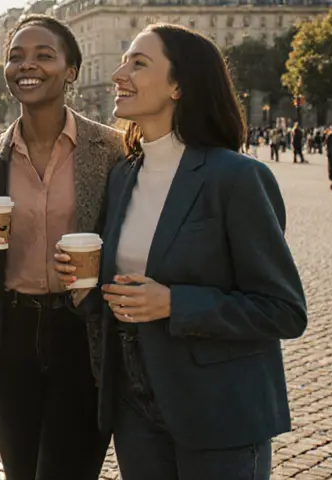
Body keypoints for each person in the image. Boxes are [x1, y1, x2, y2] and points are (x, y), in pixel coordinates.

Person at [55, 24, 307, 480]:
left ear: (178, 86)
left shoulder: (237, 178)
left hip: (219, 410)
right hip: (134, 408)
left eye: (138, 63)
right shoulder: (124, 175)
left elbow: (285, 310)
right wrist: (83, 289)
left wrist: (174, 303)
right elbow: (121, 292)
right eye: (124, 61)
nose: (118, 74)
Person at [0, 14, 121, 480]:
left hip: (82, 333)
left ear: (71, 70)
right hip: (9, 334)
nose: (26, 65)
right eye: (16, 56)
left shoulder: (110, 150)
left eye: (43, 56)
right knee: (20, 472)